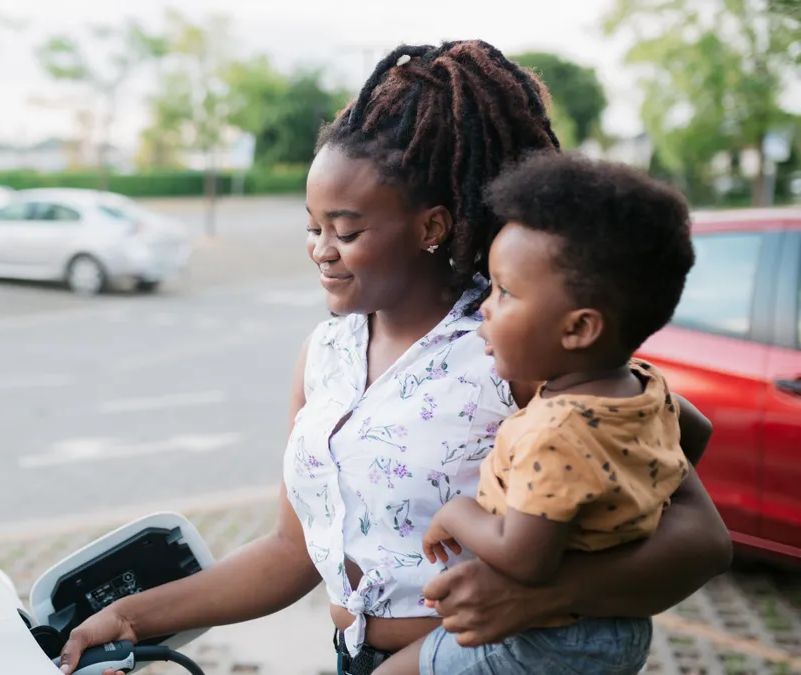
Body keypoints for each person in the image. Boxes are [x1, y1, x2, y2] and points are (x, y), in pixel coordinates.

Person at [57, 40, 733, 675]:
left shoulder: (513, 340)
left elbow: (700, 536)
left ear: (432, 225)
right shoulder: (325, 354)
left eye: (346, 229)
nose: (321, 248)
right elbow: (293, 553)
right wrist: (127, 617)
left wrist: (541, 595)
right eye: (312, 226)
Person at [403, 153, 700, 674]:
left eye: (505, 292)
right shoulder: (642, 386)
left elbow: (524, 560)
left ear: (579, 329)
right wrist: (627, 506)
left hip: (540, 641)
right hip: (620, 624)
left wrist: (456, 514)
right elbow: (697, 432)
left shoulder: (557, 431)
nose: (484, 308)